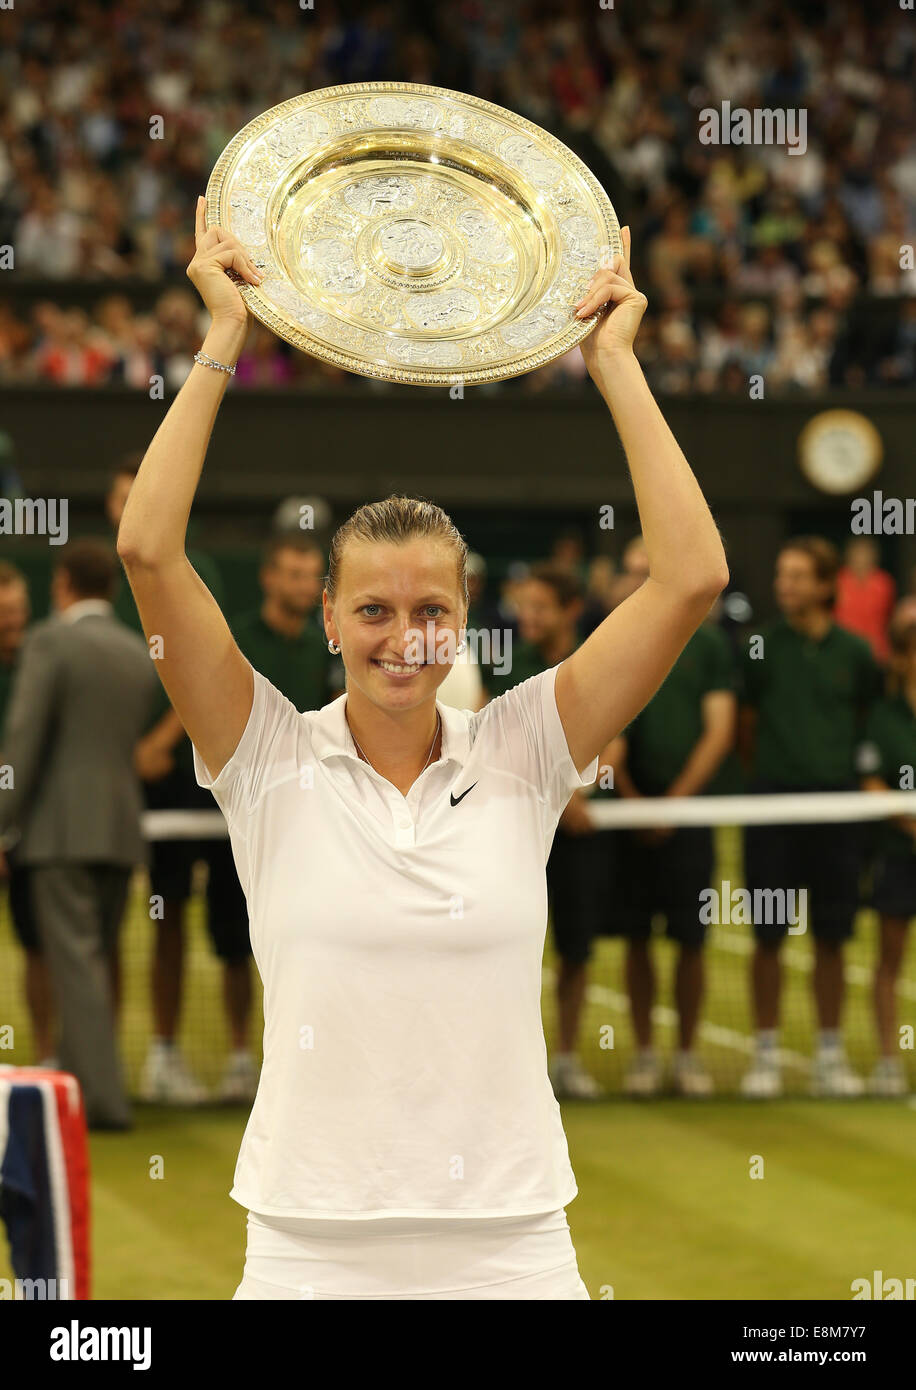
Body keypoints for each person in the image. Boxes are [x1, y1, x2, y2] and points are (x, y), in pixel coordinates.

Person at [116, 199, 727, 1300]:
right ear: (332, 621)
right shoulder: (262, 754)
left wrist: (614, 363)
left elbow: (689, 580)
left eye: (432, 609)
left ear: (464, 618)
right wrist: (222, 336)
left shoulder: (528, 745)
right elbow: (147, 549)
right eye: (376, 610)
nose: (406, 638)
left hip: (514, 1243)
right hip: (307, 1244)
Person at [0, 540, 159, 1129]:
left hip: (61, 836)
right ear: (111, 590)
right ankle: (80, 1089)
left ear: (62, 583)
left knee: (80, 971)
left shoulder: (49, 641)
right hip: (120, 833)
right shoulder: (137, 653)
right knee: (96, 966)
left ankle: (100, 1103)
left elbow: (22, 746)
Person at [739, 538, 882, 1099]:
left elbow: (865, 716)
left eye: (798, 576)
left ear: (827, 586)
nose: (785, 585)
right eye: (782, 573)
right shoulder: (759, 647)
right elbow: (746, 726)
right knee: (768, 936)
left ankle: (828, 1053)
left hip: (838, 810)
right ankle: (766, 1055)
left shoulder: (856, 653)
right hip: (773, 807)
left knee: (833, 935)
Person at [612, 609, 738, 1098]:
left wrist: (673, 806)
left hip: (687, 817)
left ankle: (686, 1057)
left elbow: (720, 731)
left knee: (692, 940)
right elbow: (607, 721)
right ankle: (644, 1056)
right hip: (627, 814)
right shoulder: (623, 637)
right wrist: (631, 803)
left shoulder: (709, 648)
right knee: (635, 938)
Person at [0, 562, 56, 1065]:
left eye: (16, 612)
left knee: (39, 945)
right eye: (3, 615)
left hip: (35, 830)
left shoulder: (44, 657)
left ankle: (44, 1055)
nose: (10, 623)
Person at [859, 610, 916, 1096]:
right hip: (898, 853)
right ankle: (887, 1060)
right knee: (890, 959)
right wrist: (907, 818)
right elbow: (872, 778)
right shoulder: (883, 715)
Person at [834, 536, 896, 664]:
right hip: (843, 650)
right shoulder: (837, 581)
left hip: (876, 651)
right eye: (858, 554)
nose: (862, 559)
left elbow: (890, 617)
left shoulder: (884, 582)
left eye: (866, 554)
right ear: (848, 555)